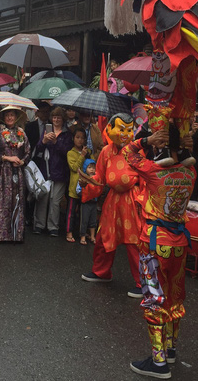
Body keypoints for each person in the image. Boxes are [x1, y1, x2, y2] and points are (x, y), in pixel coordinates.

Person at [123, 127, 196, 380]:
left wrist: (146, 140)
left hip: (154, 244)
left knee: (155, 299)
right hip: (179, 245)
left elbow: (127, 153)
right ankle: (171, 349)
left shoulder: (155, 172)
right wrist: (186, 145)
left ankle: (158, 362)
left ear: (162, 146)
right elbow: (187, 157)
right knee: (175, 298)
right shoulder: (190, 172)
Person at [81, 113, 144, 297]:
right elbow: (99, 178)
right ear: (109, 129)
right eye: (121, 129)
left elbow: (146, 176)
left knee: (135, 242)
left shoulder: (137, 151)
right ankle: (101, 272)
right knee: (103, 237)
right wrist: (87, 182)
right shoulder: (106, 152)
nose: (125, 133)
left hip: (132, 199)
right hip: (113, 200)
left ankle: (143, 283)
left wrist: (143, 200)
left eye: (129, 129)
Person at [0, 105, 31, 244]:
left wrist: (22, 161)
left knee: (18, 201)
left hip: (18, 172)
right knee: (3, 202)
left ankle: (16, 234)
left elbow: (28, 151)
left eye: (12, 115)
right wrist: (7, 158)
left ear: (16, 117)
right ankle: (0, 235)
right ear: (3, 118)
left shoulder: (21, 133)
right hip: (3, 172)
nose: (10, 118)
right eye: (7, 115)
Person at [34, 106, 73, 236]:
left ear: (63, 119)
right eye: (54, 117)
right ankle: (39, 225)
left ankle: (53, 227)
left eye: (59, 117)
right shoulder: (46, 130)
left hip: (60, 171)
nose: (56, 120)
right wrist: (44, 141)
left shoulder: (67, 134)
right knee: (43, 198)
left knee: (55, 201)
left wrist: (56, 142)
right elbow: (38, 148)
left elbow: (67, 152)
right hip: (45, 170)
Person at [66, 127, 91, 243]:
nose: (80, 140)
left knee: (83, 211)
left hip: (85, 186)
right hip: (74, 186)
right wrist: (82, 156)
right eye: (77, 137)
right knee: (71, 211)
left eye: (82, 138)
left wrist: (87, 155)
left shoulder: (88, 152)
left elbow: (92, 166)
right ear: (73, 138)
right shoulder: (70, 153)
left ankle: (82, 232)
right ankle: (69, 232)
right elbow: (74, 168)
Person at [77, 158, 101, 245]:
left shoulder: (97, 179)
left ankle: (92, 236)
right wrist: (84, 192)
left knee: (93, 220)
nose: (92, 169)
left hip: (94, 203)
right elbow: (78, 190)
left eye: (93, 168)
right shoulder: (82, 179)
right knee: (84, 220)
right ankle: (82, 236)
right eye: (89, 167)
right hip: (86, 203)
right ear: (85, 169)